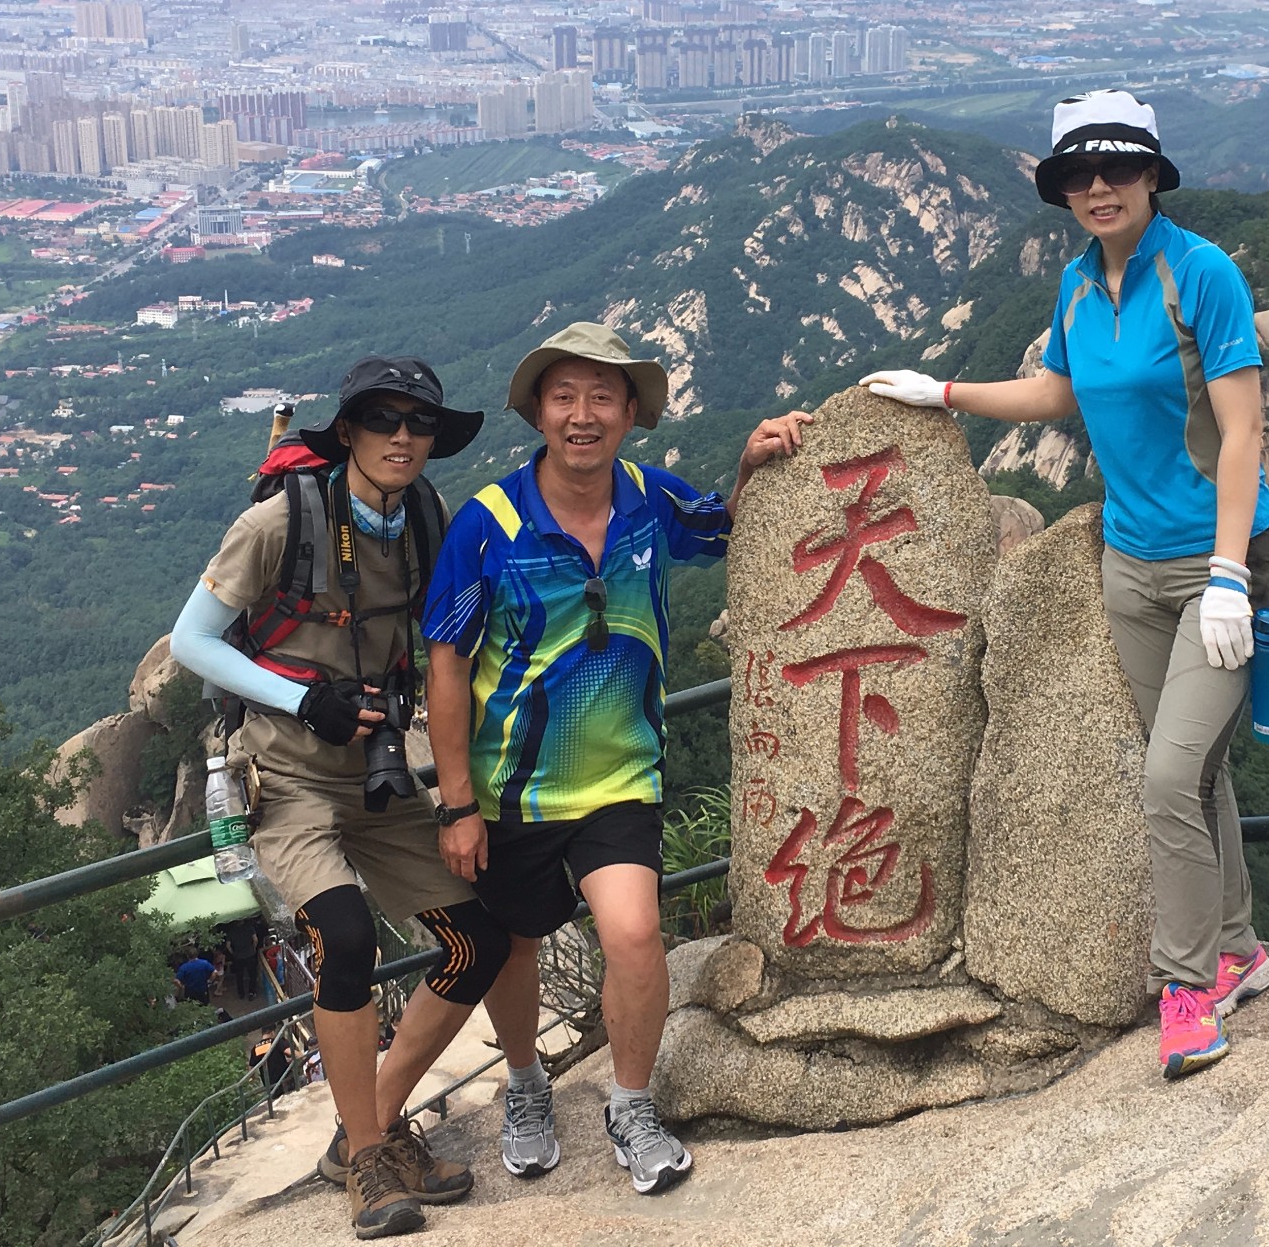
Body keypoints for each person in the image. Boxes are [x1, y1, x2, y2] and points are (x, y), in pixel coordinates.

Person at [861, 88, 1269, 1080]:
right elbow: (1059, 391)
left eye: (1118, 169)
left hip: (1221, 560)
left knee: (1166, 780)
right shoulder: (1076, 285)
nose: (1099, 187)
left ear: (1150, 175)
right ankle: (1241, 949)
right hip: (1130, 563)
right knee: (1193, 773)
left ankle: (1186, 990)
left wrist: (1229, 574)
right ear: (1061, 190)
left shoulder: (1200, 275)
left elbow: (1243, 433)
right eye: (1078, 175)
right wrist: (947, 394)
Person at [423, 323, 810, 1196]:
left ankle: (629, 1102)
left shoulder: (644, 496)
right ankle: (526, 1084)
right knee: (516, 945)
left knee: (635, 935)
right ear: (539, 413)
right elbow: (444, 661)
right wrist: (455, 803)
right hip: (511, 788)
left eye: (603, 397)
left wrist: (751, 463)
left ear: (632, 413)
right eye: (565, 397)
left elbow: (726, 529)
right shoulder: (490, 524)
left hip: (622, 779)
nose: (583, 415)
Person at [170, 355, 512, 1239]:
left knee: (474, 940)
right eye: (382, 419)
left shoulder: (428, 519)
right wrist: (300, 699)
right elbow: (191, 640)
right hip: (286, 781)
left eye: (419, 424)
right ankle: (368, 1159)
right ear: (349, 431)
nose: (403, 437)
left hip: (377, 774)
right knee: (348, 939)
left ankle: (373, 1122)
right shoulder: (279, 522)